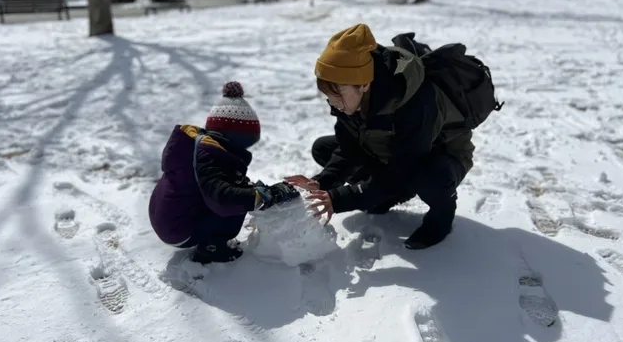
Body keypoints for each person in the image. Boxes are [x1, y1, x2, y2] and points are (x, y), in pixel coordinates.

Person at [286, 23, 477, 250]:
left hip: (439, 155)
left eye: (337, 94)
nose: (333, 103)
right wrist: (322, 182)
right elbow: (349, 151)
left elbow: (403, 168)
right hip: (392, 153)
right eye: (328, 96)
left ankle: (441, 219)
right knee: (323, 149)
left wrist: (339, 199)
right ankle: (387, 194)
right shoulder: (348, 101)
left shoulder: (416, 101)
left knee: (429, 177)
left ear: (364, 84)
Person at [149, 81, 299, 264]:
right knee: (235, 202)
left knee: (239, 190)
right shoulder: (210, 158)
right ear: (235, 139)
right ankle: (212, 248)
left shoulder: (200, 148)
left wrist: (252, 190)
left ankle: (210, 237)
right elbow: (223, 198)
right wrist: (265, 196)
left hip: (169, 218)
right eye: (246, 144)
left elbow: (219, 183)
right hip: (179, 231)